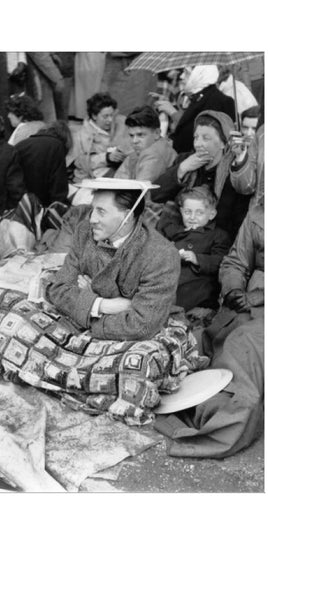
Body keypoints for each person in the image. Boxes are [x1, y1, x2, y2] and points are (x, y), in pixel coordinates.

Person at [156, 204, 264, 458]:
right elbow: (236, 261)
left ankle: (223, 425)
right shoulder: (260, 213)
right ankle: (169, 401)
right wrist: (233, 289)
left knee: (242, 346)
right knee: (194, 341)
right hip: (245, 301)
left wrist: (258, 297)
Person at [47, 179, 181, 341]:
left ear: (128, 217)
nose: (92, 219)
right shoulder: (84, 231)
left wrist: (85, 305)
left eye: (101, 212)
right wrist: (103, 305)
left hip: (135, 337)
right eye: (92, 209)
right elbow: (59, 289)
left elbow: (142, 326)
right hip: (105, 322)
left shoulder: (161, 255)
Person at [151, 110, 251, 241]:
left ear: (223, 142)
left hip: (214, 244)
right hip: (177, 236)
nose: (198, 143)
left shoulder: (235, 171)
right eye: (196, 137)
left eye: (206, 138)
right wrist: (182, 169)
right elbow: (156, 195)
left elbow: (235, 220)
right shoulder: (185, 160)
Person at [157, 186, 231, 311]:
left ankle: (168, 311)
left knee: (190, 292)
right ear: (181, 212)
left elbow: (222, 261)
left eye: (199, 213)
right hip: (169, 276)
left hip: (197, 282)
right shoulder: (173, 229)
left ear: (212, 214)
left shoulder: (218, 235)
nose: (192, 217)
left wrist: (197, 258)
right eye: (187, 212)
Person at [155, 65, 236, 154]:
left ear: (199, 74)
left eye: (186, 73)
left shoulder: (220, 101)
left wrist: (173, 112)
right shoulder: (197, 97)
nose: (181, 76)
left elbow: (192, 134)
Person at [72, 92, 131, 182]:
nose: (110, 120)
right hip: (91, 179)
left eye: (112, 115)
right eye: (105, 116)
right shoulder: (82, 135)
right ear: (94, 116)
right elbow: (82, 162)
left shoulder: (121, 123)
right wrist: (107, 158)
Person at [14, 121, 71, 207]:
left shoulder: (21, 144)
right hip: (41, 206)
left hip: (20, 205)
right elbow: (58, 187)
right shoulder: (57, 146)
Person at [114, 106, 177, 182]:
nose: (134, 141)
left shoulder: (154, 154)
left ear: (157, 133)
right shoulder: (140, 151)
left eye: (140, 135)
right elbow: (117, 181)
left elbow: (139, 191)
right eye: (131, 135)